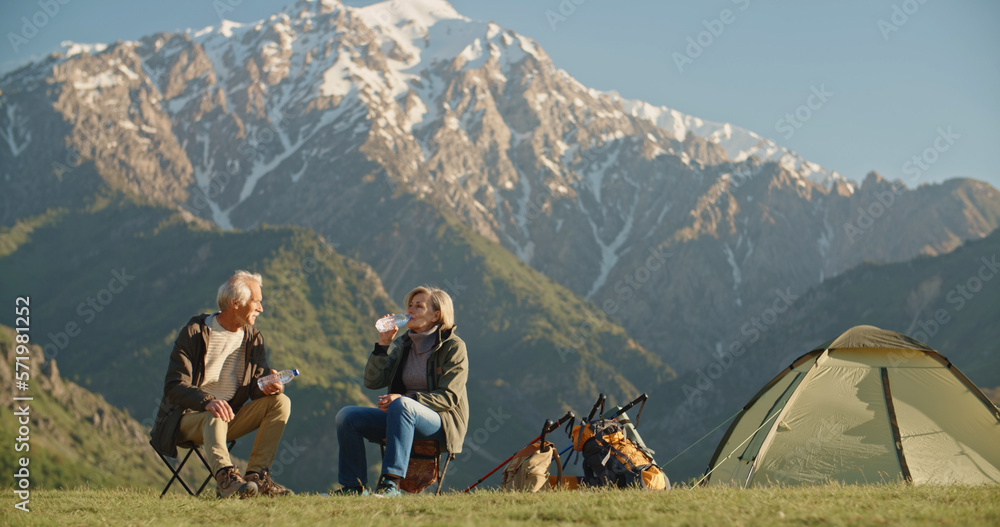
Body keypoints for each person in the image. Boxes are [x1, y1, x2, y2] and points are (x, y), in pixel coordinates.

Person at [150, 270, 293, 498]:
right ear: (235, 303)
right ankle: (227, 481)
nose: (261, 308)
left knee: (280, 402)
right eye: (256, 302)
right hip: (187, 421)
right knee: (215, 413)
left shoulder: (253, 338)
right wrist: (208, 402)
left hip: (227, 418)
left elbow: (256, 386)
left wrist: (268, 386)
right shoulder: (195, 333)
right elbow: (174, 386)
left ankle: (257, 477)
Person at [335, 286, 469, 497]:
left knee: (402, 404)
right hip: (402, 415)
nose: (411, 310)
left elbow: (449, 397)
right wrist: (384, 343)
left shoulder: (453, 347)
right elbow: (372, 381)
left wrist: (406, 399)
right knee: (347, 416)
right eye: (410, 305)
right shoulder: (403, 345)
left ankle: (390, 484)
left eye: (419, 306)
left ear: (436, 314)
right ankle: (353, 487)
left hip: (441, 422)